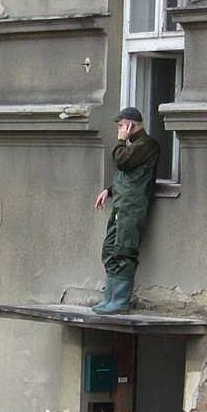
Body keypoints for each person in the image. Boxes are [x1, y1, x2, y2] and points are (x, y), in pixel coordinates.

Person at [92, 107, 160, 314]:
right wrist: (109, 190)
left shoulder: (147, 145)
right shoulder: (134, 147)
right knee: (110, 248)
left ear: (132, 125)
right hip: (121, 204)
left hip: (132, 207)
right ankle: (110, 297)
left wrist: (121, 140)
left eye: (122, 126)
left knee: (124, 250)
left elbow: (122, 162)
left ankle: (119, 301)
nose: (119, 131)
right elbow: (129, 176)